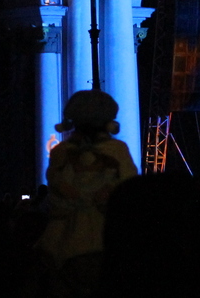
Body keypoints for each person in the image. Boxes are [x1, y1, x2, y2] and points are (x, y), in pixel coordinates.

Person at [37, 90, 137, 297]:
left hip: (59, 246)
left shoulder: (59, 153)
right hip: (107, 245)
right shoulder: (118, 150)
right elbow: (129, 195)